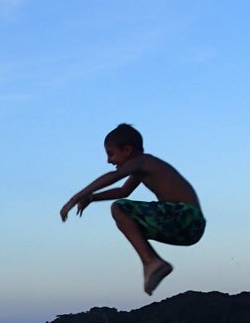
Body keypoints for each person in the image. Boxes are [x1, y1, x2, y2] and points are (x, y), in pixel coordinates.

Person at [60, 123, 205, 296]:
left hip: (183, 216)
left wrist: (76, 196)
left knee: (120, 208)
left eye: (111, 153)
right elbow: (123, 191)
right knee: (127, 216)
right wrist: (91, 198)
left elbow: (114, 177)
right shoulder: (142, 168)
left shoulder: (144, 161)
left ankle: (151, 261)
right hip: (192, 228)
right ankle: (153, 262)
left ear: (127, 150)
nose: (109, 160)